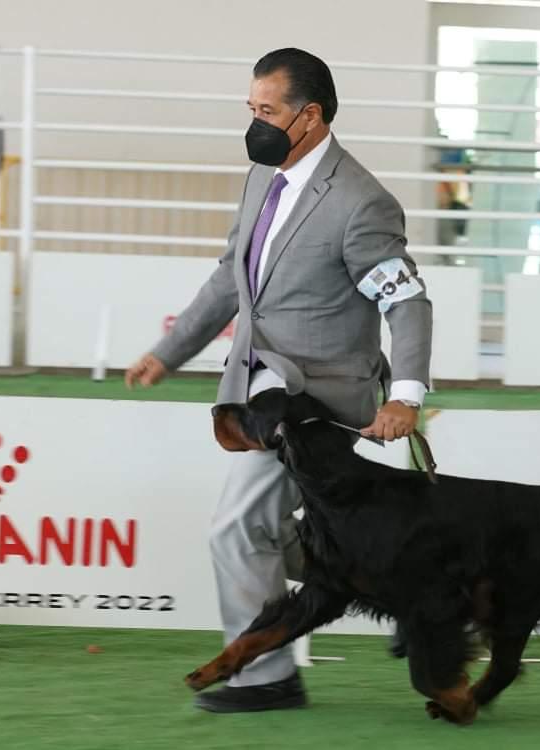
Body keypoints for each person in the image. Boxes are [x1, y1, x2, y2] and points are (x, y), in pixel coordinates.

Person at [125, 47, 432, 713]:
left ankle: (264, 677)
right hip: (261, 393)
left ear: (311, 116)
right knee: (292, 534)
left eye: (268, 111)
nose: (255, 123)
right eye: (252, 108)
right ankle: (408, 586)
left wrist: (406, 396)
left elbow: (405, 300)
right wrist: (169, 352)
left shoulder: (360, 202)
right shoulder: (264, 175)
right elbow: (229, 277)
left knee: (238, 529)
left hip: (321, 400)